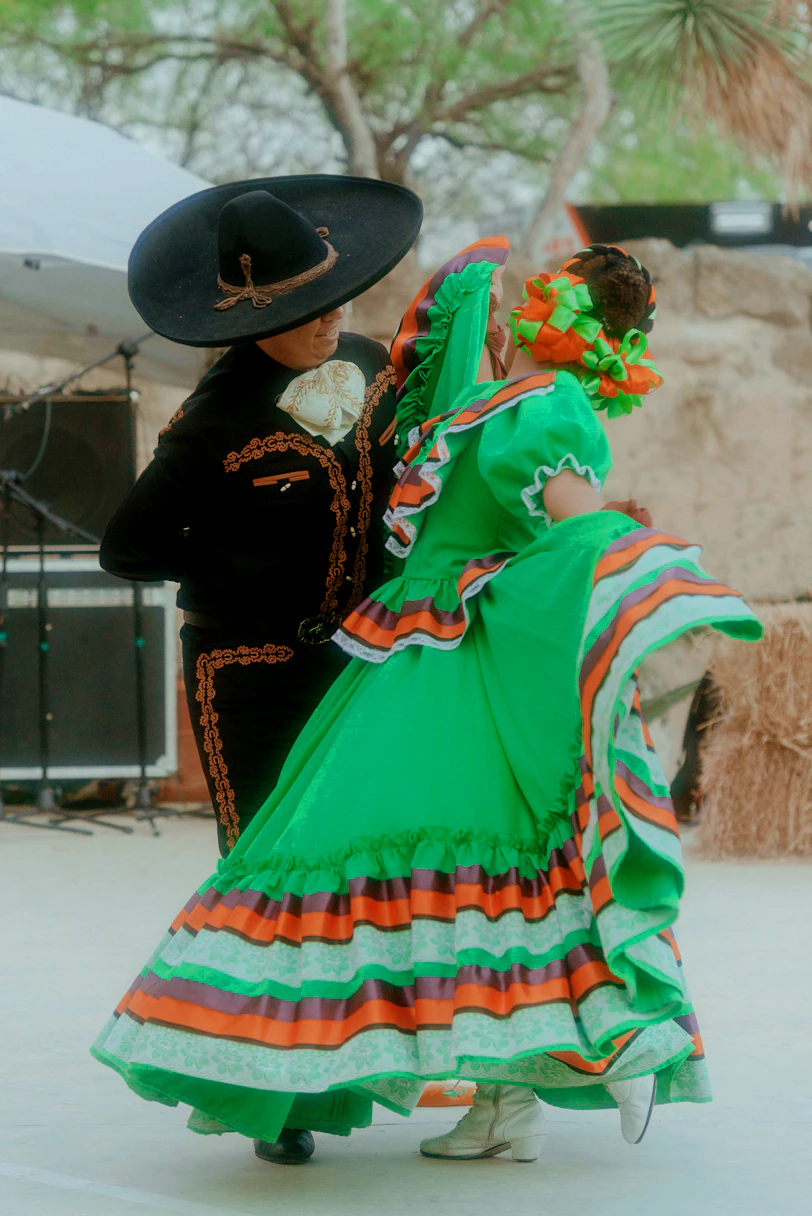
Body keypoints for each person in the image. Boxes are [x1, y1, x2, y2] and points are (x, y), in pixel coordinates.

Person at [93, 239, 762, 1165]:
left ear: (555, 323)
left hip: (450, 663)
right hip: (406, 656)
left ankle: (590, 1052)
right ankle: (489, 1098)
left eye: (513, 306)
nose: (495, 320)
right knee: (467, 879)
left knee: (430, 866)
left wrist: (637, 589)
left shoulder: (533, 409)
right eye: (492, 309)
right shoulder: (491, 404)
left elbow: (576, 529)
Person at [99, 175, 421, 1163]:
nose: (326, 324)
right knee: (265, 880)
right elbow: (129, 548)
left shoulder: (371, 368)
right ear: (254, 320)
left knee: (349, 878)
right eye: (299, 313)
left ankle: (327, 1068)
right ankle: (258, 1091)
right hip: (247, 669)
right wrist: (235, 560)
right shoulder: (213, 420)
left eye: (332, 301)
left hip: (356, 666)